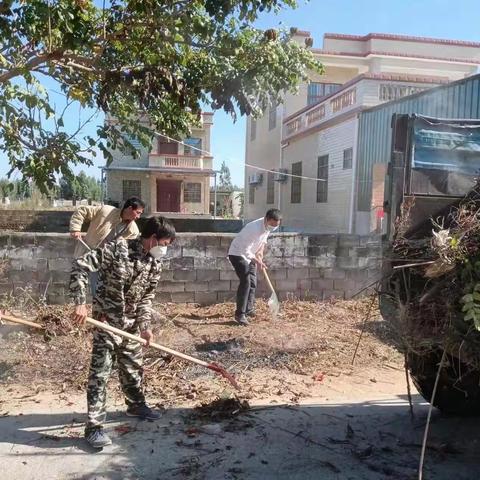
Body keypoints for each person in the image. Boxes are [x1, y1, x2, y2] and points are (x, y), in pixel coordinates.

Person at [70, 216, 176, 449]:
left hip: (130, 326)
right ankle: (94, 427)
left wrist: (145, 327)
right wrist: (80, 302)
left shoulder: (154, 264)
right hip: (106, 321)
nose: (165, 249)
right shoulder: (116, 249)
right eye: (165, 244)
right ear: (152, 238)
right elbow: (80, 266)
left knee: (132, 368)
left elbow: (146, 299)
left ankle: (136, 405)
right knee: (100, 374)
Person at [69, 197, 145, 295]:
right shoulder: (106, 211)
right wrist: (75, 228)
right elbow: (82, 210)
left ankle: (95, 306)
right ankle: (79, 306)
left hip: (105, 261)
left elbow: (126, 250)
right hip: (86, 252)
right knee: (78, 283)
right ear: (130, 208)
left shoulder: (133, 230)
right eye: (138, 212)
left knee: (98, 290)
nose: (138, 217)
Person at [228, 209, 282, 326]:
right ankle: (240, 314)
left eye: (276, 226)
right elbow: (245, 249)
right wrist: (257, 260)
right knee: (246, 282)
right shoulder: (253, 228)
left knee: (253, 282)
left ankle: (249, 309)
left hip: (251, 255)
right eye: (272, 225)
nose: (274, 227)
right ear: (266, 219)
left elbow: (263, 241)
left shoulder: (267, 227)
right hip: (238, 254)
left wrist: (260, 253)